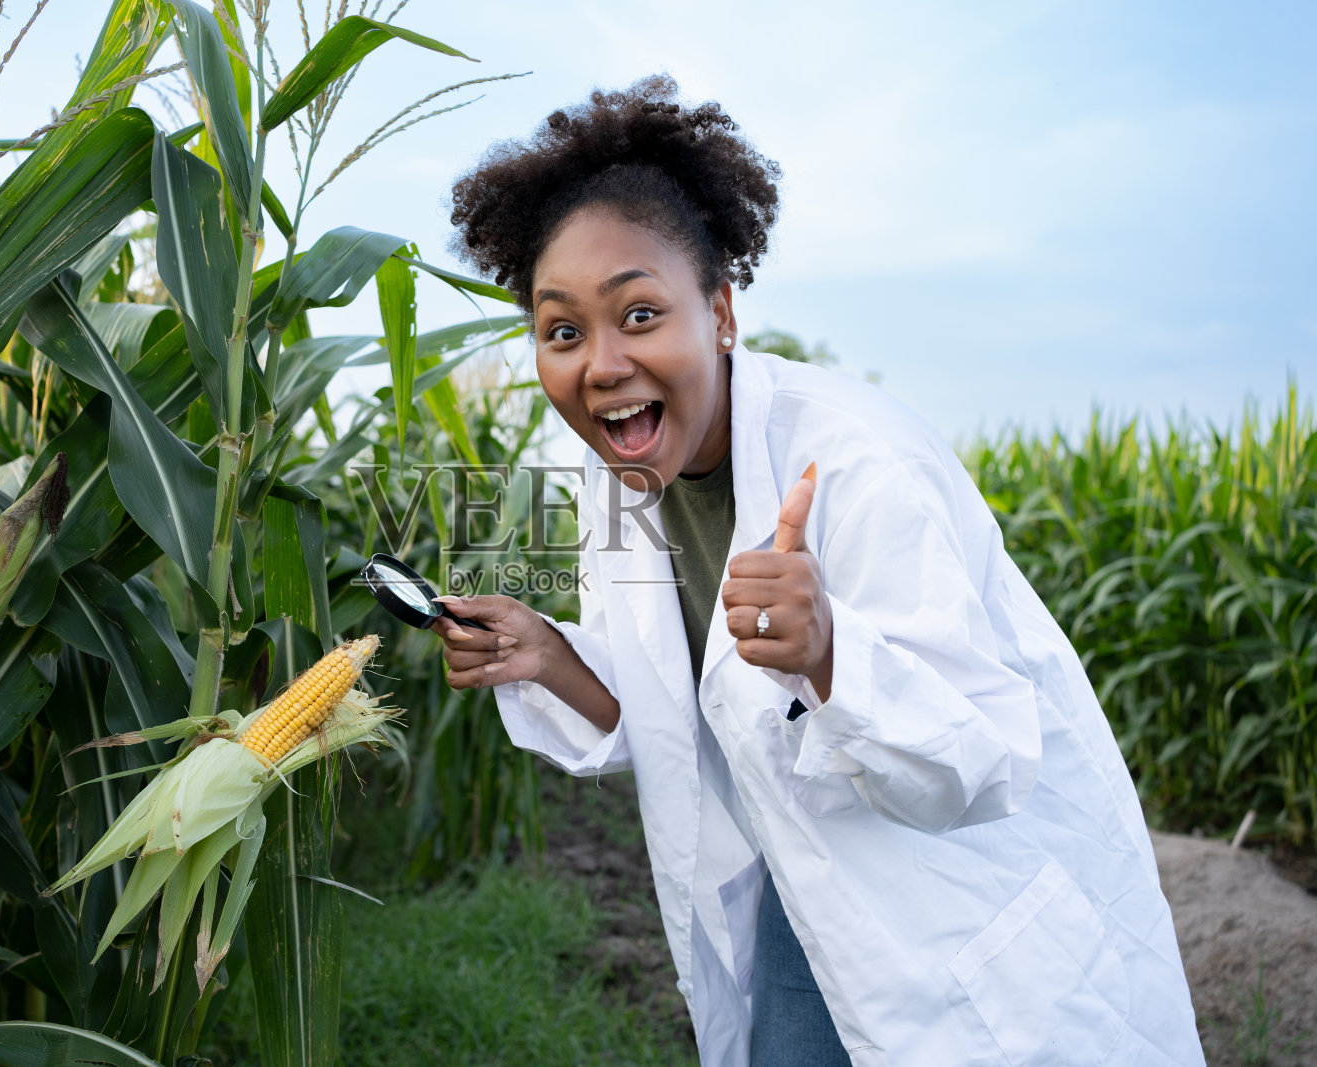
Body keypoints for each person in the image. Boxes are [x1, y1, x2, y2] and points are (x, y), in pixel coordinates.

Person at [427, 77, 1205, 1066]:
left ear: (719, 312)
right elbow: (671, 711)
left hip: (956, 893)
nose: (602, 363)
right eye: (562, 331)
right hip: (803, 886)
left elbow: (980, 754)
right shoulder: (617, 481)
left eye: (638, 313)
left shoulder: (859, 459)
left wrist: (832, 650)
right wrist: (550, 656)